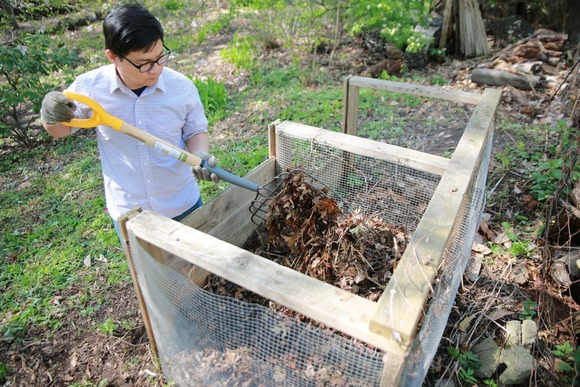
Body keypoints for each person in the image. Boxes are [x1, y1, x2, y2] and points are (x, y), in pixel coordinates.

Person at [40, 4, 219, 241]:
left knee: (197, 274)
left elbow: (195, 131)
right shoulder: (89, 88)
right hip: (131, 213)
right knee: (148, 277)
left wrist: (201, 155)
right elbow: (61, 130)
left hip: (182, 203)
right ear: (113, 57)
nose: (155, 69)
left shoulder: (181, 87)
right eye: (143, 63)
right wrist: (49, 114)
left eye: (160, 57)